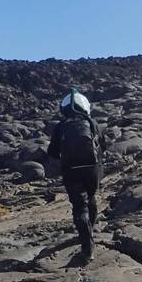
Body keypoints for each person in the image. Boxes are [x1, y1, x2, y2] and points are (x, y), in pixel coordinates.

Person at [47, 88, 106, 261]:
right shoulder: (92, 123)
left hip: (71, 170)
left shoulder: (61, 126)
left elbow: (52, 152)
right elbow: (103, 146)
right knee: (91, 198)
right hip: (92, 169)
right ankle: (90, 230)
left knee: (80, 206)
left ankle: (87, 248)